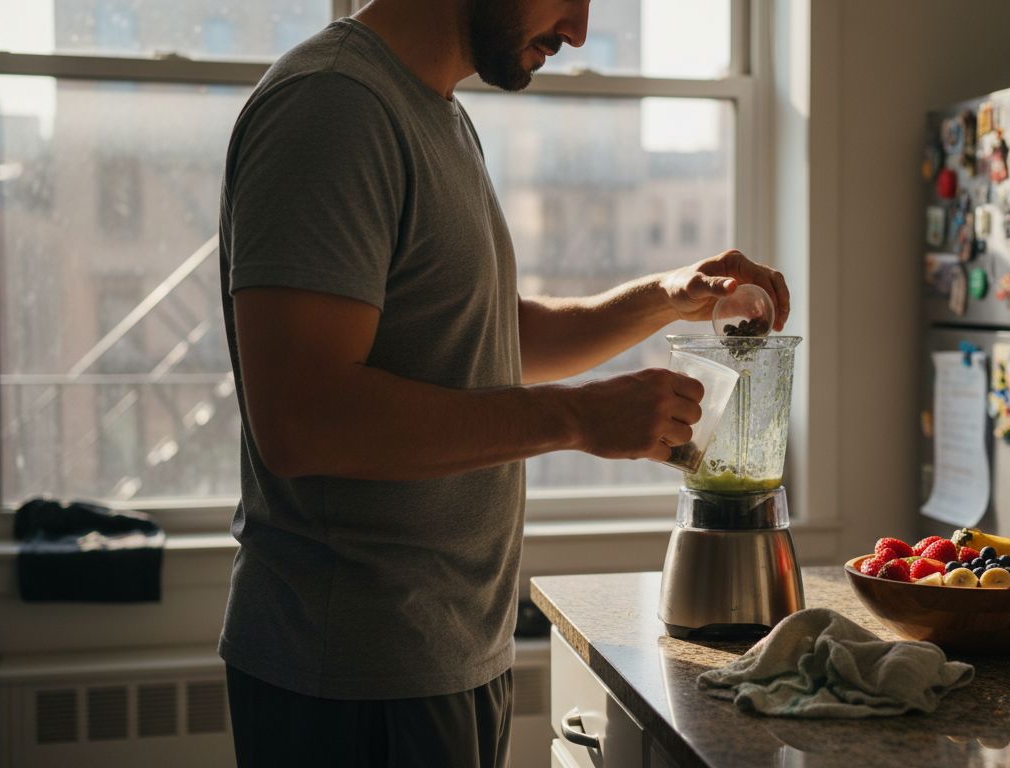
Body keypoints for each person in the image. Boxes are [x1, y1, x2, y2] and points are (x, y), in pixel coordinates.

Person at [216, 0, 790, 765]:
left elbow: (486, 335)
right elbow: (303, 419)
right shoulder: (333, 106)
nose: (580, 30)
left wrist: (667, 295)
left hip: (447, 652)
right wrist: (578, 420)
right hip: (353, 675)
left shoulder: (436, 115)